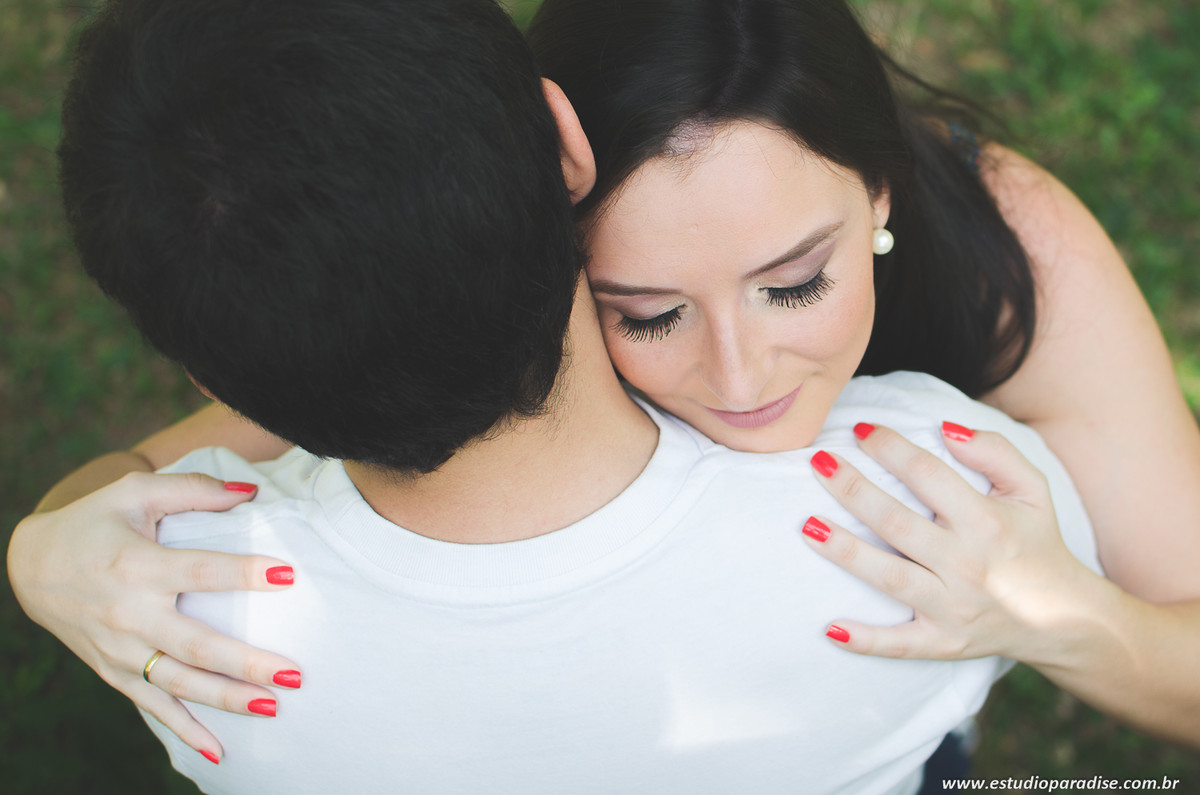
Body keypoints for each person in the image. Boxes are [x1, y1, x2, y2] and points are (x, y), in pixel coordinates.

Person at [9, 0, 1198, 770]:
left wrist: (1070, 616)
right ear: (556, 196)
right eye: (644, 313)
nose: (739, 381)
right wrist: (43, 555)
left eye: (795, 283)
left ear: (881, 199)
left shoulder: (1009, 249)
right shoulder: (444, 302)